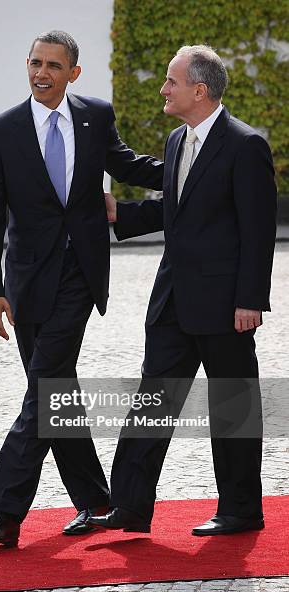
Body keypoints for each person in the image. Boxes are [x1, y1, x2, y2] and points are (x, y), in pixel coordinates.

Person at [0, 30, 163, 546]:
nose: (41, 73)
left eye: (53, 65)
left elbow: (128, 165)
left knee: (46, 385)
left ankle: (4, 513)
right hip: (26, 281)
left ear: (74, 73)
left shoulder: (94, 115)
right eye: (34, 63)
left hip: (79, 273)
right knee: (57, 393)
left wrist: (191, 168)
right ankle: (97, 501)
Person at [89, 45, 277, 536]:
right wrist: (120, 213)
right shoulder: (177, 141)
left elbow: (258, 232)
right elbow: (176, 206)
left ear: (199, 89)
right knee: (152, 400)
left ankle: (240, 510)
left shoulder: (246, 145)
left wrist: (251, 301)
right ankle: (129, 507)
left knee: (232, 407)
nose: (163, 89)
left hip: (225, 306)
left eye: (171, 81)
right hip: (173, 300)